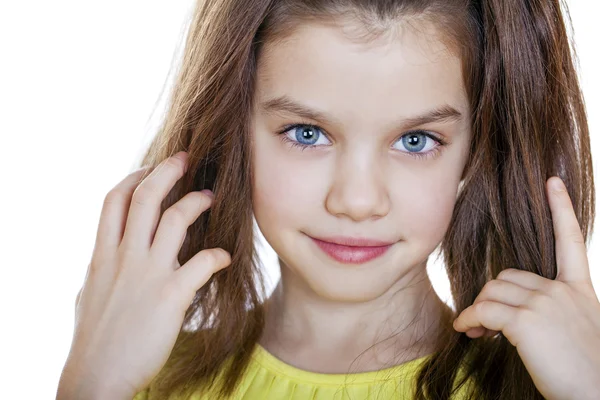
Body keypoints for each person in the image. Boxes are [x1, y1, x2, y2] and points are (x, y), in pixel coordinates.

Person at [57, 0, 600, 399]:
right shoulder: (140, 375)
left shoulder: (548, 383)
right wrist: (91, 386)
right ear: (230, 133)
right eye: (306, 133)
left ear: (478, 151)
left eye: (416, 141)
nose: (357, 202)